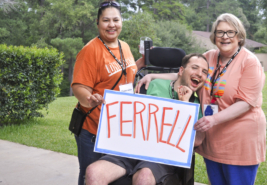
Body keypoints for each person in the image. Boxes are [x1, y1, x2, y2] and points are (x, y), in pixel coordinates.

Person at [136, 13, 266, 185]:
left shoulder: (249, 62)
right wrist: (151, 75)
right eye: (220, 32)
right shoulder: (210, 56)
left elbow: (246, 103)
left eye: (230, 32)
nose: (224, 37)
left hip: (239, 141)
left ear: (239, 35)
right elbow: (185, 73)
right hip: (212, 139)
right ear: (214, 36)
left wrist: (214, 119)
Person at [85, 53, 209, 185]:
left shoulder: (197, 103)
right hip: (130, 149)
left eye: (204, 72)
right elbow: (130, 114)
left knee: (144, 177)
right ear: (181, 71)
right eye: (195, 68)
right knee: (93, 172)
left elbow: (197, 140)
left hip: (161, 157)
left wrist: (184, 104)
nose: (200, 74)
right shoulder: (153, 85)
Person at [71, 0, 145, 185]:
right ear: (98, 23)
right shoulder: (90, 50)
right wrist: (89, 98)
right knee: (91, 176)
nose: (111, 25)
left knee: (114, 177)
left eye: (116, 20)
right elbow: (78, 86)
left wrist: (143, 61)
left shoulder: (125, 46)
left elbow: (124, 72)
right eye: (106, 20)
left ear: (121, 22)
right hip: (94, 130)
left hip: (118, 129)